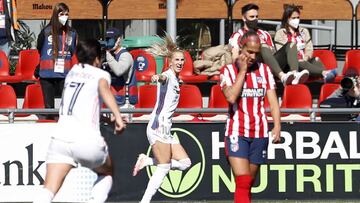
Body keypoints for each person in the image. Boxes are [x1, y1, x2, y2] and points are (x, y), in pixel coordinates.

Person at [33, 39, 126, 203]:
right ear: (97, 58)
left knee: (48, 190)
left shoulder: (72, 72)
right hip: (86, 141)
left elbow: (80, 108)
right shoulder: (100, 74)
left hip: (60, 141)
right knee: (107, 171)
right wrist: (117, 116)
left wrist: (106, 120)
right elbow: (104, 89)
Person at [221, 31, 281, 203]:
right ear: (241, 48)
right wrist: (243, 70)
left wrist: (277, 126)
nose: (253, 56)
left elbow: (273, 101)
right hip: (236, 131)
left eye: (257, 52)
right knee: (243, 180)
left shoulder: (265, 70)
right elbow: (231, 97)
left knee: (248, 183)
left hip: (260, 133)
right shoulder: (227, 71)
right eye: (250, 52)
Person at [131, 36, 192, 203]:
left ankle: (148, 160)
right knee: (164, 167)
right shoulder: (168, 75)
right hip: (158, 126)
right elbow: (162, 78)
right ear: (170, 62)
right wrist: (157, 77)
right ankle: (145, 201)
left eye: (182, 60)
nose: (180, 63)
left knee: (186, 163)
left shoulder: (177, 78)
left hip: (167, 128)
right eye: (176, 60)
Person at [229, 3, 309, 86]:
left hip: (270, 64)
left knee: (291, 44)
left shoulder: (264, 33)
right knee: (262, 46)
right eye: (252, 17)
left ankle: (295, 75)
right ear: (244, 18)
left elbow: (273, 53)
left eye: (256, 17)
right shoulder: (237, 35)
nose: (255, 19)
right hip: (252, 64)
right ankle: (282, 77)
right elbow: (235, 57)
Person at [274, 4, 337, 83]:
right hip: (290, 66)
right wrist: (299, 59)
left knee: (316, 60)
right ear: (287, 19)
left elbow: (309, 48)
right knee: (300, 62)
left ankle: (325, 78)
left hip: (305, 61)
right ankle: (325, 73)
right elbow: (282, 51)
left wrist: (306, 57)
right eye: (293, 18)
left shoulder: (304, 31)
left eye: (298, 17)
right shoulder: (280, 33)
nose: (296, 20)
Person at [36, 2, 78, 118]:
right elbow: (39, 48)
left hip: (64, 74)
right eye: (61, 14)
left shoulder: (72, 33)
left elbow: (73, 50)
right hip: (47, 74)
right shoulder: (45, 31)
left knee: (66, 107)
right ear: (56, 15)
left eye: (66, 14)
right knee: (49, 109)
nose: (65, 16)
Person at [103, 27, 137, 106]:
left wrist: (107, 54)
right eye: (107, 39)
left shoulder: (125, 55)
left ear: (118, 40)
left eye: (111, 39)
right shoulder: (110, 55)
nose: (109, 42)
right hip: (110, 99)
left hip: (124, 102)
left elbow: (119, 71)